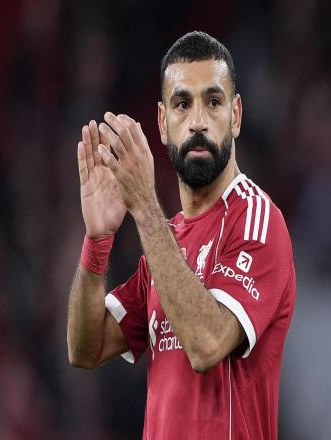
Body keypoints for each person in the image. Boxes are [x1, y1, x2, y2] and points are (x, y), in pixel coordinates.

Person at [67, 31, 296, 439]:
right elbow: (86, 348)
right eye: (182, 103)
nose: (197, 121)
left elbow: (207, 344)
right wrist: (97, 242)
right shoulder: (167, 241)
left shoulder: (257, 220)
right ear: (162, 122)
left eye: (213, 101)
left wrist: (144, 206)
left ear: (236, 115)